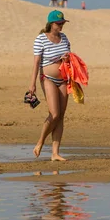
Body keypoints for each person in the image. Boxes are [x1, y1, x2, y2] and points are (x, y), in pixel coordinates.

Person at [29, 10, 71, 161]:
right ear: (51, 24)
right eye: (59, 23)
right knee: (54, 114)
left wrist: (66, 58)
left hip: (64, 79)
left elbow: (68, 60)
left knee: (61, 116)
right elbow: (36, 63)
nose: (61, 26)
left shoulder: (64, 38)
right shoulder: (41, 39)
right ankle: (40, 142)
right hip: (47, 78)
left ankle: (55, 153)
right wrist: (32, 84)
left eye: (62, 23)